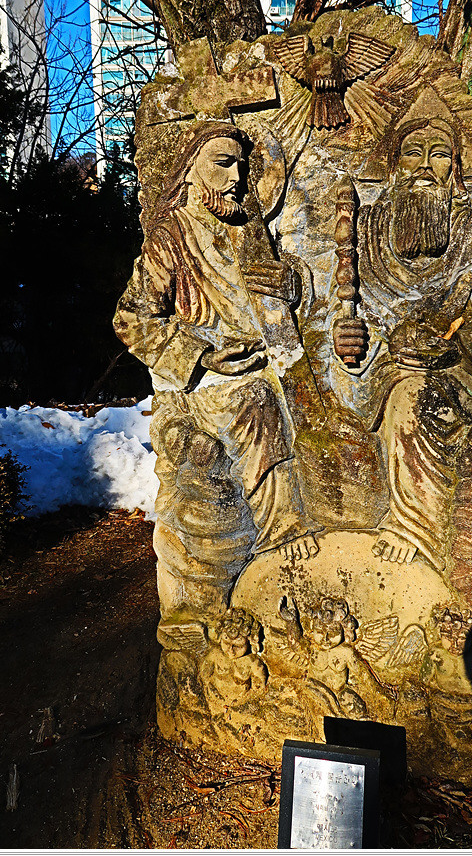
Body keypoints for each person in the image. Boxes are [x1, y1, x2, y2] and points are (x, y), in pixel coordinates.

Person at [330, 115, 472, 597]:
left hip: (464, 376)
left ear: (455, 170)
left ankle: (419, 533)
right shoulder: (362, 237)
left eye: (439, 156)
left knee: (416, 398)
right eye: (414, 153)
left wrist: (462, 342)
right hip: (374, 373)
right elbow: (335, 314)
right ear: (393, 167)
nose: (425, 167)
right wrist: (344, 336)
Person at [114, 121, 318, 623]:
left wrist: (290, 283)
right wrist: (202, 355)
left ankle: (292, 543)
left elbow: (283, 293)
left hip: (263, 369)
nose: (236, 178)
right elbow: (130, 319)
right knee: (256, 407)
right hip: (207, 387)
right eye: (222, 164)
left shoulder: (246, 228)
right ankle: (279, 536)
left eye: (241, 167)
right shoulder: (173, 235)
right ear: (191, 171)